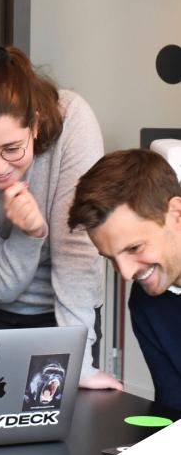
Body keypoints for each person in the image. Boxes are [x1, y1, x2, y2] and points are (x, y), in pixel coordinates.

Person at [0, 45, 121, 389]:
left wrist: (79, 365)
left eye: (12, 149)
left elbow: (77, 253)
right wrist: (28, 234)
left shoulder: (73, 119)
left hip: (71, 314)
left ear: (36, 124)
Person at [68, 147, 181, 409]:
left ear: (176, 214)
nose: (128, 274)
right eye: (110, 258)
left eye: (134, 248)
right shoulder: (145, 301)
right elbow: (174, 410)